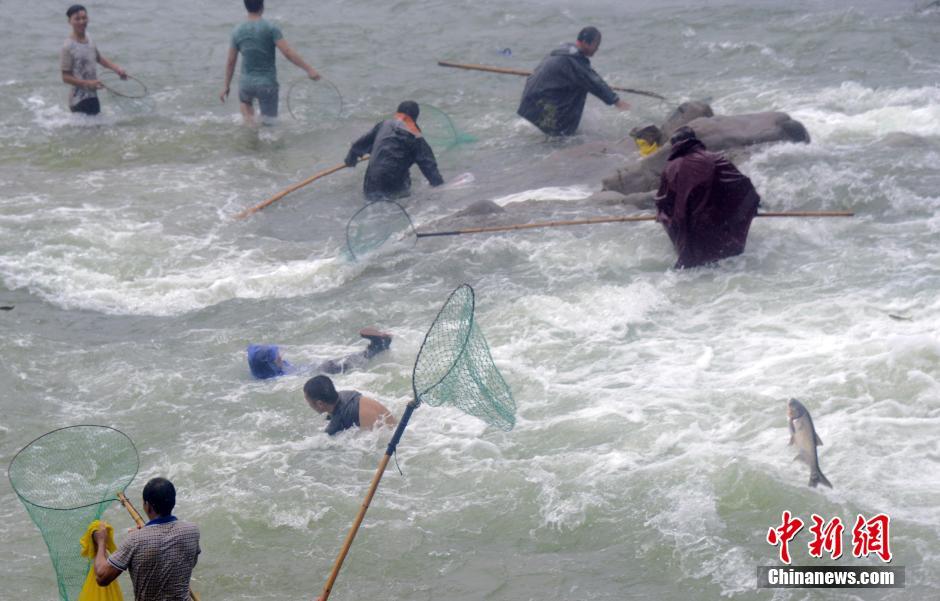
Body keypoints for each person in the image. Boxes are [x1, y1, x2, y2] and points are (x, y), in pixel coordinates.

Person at [655, 127, 761, 268]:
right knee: (723, 264)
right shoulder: (714, 159)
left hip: (686, 231)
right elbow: (742, 187)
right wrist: (750, 208)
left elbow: (663, 202)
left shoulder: (669, 168)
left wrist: (663, 216)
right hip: (714, 226)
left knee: (695, 267)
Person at [93, 477, 200, 601]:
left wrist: (101, 542)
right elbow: (189, 563)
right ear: (173, 502)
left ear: (147, 506)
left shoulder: (135, 540)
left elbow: (102, 577)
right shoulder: (192, 531)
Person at [220, 0, 321, 125]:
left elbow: (231, 61)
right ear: (262, 6)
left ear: (246, 7)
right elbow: (287, 52)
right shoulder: (271, 28)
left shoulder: (237, 31)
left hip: (246, 84)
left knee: (248, 120)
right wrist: (309, 69)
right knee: (269, 126)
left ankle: (251, 141)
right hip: (266, 84)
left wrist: (226, 85)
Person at [517, 27, 630, 136]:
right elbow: (594, 82)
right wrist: (617, 101)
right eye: (596, 45)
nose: (597, 49)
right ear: (586, 42)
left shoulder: (564, 51)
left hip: (529, 104)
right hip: (541, 105)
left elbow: (590, 76)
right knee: (582, 86)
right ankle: (562, 134)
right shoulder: (574, 60)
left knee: (578, 84)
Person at [344, 101, 444, 201]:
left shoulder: (384, 125)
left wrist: (351, 159)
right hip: (394, 187)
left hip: (370, 184)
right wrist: (442, 189)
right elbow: (431, 170)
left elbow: (357, 146)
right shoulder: (416, 138)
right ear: (415, 118)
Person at [60, 4, 129, 116]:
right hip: (79, 100)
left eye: (84, 18)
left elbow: (98, 58)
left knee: (95, 131)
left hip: (92, 96)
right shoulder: (68, 46)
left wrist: (117, 69)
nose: (82, 21)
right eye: (77, 19)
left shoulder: (89, 38)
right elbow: (65, 77)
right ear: (69, 21)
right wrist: (88, 83)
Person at [247, 327, 392, 380]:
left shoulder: (267, 372)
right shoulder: (277, 377)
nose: (281, 357)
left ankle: (375, 348)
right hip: (319, 372)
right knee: (349, 363)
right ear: (269, 364)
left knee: (350, 361)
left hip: (314, 370)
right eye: (277, 358)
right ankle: (377, 347)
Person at [304, 375, 396, 436]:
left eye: (308, 402)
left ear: (320, 404)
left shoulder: (336, 423)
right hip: (395, 427)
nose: (308, 405)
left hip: (386, 435)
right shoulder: (345, 394)